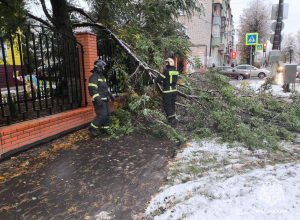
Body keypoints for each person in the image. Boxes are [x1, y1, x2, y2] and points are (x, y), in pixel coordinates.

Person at [88, 60, 116, 137]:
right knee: (101, 115)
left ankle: (105, 129)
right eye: (103, 67)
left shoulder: (102, 77)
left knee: (107, 115)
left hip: (105, 99)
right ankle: (92, 128)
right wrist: (98, 99)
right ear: (99, 67)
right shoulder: (94, 77)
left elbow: (106, 89)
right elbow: (92, 89)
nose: (104, 68)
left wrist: (111, 95)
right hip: (98, 100)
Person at [149, 58, 178, 125]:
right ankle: (173, 119)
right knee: (172, 105)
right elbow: (168, 79)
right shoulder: (176, 71)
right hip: (174, 91)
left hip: (168, 91)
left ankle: (171, 120)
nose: (166, 64)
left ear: (170, 63)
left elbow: (158, 79)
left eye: (167, 63)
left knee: (167, 105)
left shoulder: (166, 72)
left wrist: (151, 81)